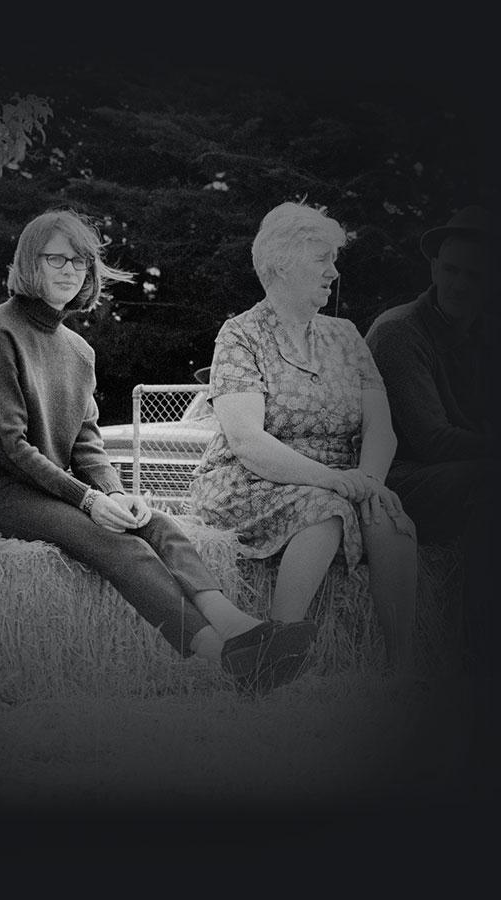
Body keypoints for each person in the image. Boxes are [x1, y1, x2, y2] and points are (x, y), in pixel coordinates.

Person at [0, 208, 318, 690]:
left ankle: (238, 627)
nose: (69, 271)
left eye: (79, 262)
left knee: (157, 523)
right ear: (28, 262)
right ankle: (222, 656)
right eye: (56, 259)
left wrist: (116, 494)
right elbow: (11, 446)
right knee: (114, 542)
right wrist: (88, 500)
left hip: (49, 488)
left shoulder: (79, 350)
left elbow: (87, 443)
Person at [188, 201, 418, 671]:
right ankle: (275, 652)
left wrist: (369, 480)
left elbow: (381, 427)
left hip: (342, 477)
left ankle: (404, 668)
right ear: (281, 263)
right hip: (252, 480)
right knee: (323, 510)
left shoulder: (346, 335)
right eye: (321, 259)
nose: (333, 272)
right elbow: (248, 441)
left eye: (334, 259)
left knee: (389, 519)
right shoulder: (240, 335)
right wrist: (335, 481)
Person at [364, 206, 497, 774]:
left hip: (465, 471)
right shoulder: (400, 331)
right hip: (397, 480)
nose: (460, 284)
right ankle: (477, 661)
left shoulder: (488, 333)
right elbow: (431, 438)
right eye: (451, 270)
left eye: (475, 275)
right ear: (435, 269)